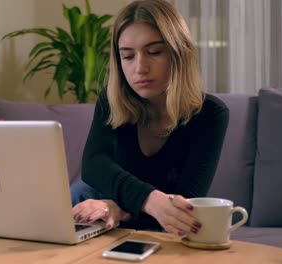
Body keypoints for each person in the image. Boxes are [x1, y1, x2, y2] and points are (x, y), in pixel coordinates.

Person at [70, 0, 229, 237]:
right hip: (95, 208)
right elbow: (94, 166)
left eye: (154, 52)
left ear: (178, 53)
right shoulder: (111, 100)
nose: (140, 67)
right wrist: (149, 200)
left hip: (138, 218)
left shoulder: (211, 114)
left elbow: (185, 203)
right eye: (128, 56)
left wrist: (120, 208)